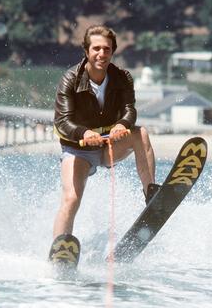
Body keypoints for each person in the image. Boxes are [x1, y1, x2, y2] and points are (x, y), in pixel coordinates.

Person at [51, 25, 158, 248]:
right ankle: (60, 249)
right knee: (71, 199)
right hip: (78, 150)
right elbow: (62, 120)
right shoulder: (70, 79)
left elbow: (130, 109)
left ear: (113, 51)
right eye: (96, 49)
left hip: (109, 146)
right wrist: (84, 132)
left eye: (107, 49)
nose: (102, 54)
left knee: (141, 134)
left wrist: (122, 124)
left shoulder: (122, 77)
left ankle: (151, 195)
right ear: (87, 51)